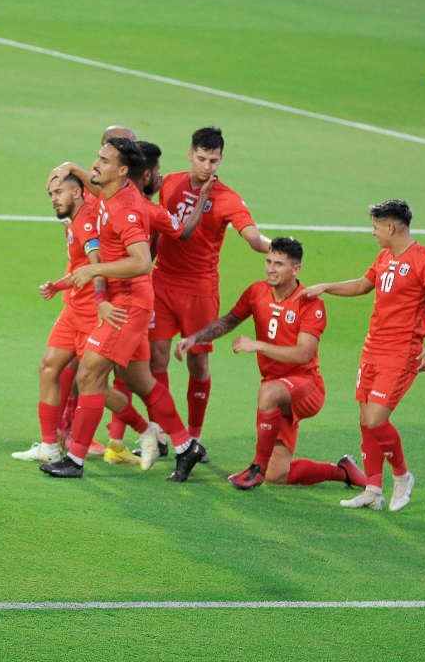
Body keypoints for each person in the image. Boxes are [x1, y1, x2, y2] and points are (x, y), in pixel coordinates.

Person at [40, 137, 205, 481]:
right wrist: (70, 167)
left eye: (104, 160)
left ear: (122, 171)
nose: (96, 164)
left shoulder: (125, 210)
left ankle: (75, 459)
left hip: (126, 305)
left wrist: (94, 270)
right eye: (97, 157)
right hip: (128, 302)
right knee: (140, 381)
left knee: (89, 375)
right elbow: (173, 227)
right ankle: (186, 445)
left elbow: (142, 262)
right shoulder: (111, 192)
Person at [304, 199, 425, 512]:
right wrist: (326, 287)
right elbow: (362, 286)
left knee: (376, 419)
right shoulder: (384, 256)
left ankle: (402, 476)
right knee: (365, 420)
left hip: (401, 354)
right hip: (371, 349)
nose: (372, 232)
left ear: (390, 227)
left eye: (375, 227)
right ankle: (373, 489)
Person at [176, 237, 365, 491]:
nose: (271, 269)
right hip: (277, 389)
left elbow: (303, 354)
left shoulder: (310, 303)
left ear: (296, 269)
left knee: (268, 392)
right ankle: (343, 471)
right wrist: (195, 338)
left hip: (307, 387)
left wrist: (259, 345)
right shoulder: (257, 292)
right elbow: (230, 320)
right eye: (268, 262)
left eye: (279, 264)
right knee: (277, 475)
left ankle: (256, 468)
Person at [150, 126, 271, 454]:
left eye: (213, 161)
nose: (207, 166)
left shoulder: (227, 198)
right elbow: (157, 227)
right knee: (156, 357)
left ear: (221, 160)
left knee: (198, 363)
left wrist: (278, 246)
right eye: (202, 158)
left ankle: (194, 437)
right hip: (161, 282)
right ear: (190, 155)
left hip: (200, 289)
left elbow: (254, 238)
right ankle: (161, 433)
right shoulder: (170, 183)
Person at [12, 173, 104, 464]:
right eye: (51, 194)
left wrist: (100, 302)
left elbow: (97, 266)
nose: (54, 198)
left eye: (59, 192)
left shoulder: (86, 223)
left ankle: (147, 429)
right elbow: (83, 267)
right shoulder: (75, 222)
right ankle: (49, 446)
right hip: (73, 309)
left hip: (91, 314)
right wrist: (59, 285)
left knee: (96, 383)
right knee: (48, 368)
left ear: (77, 192)